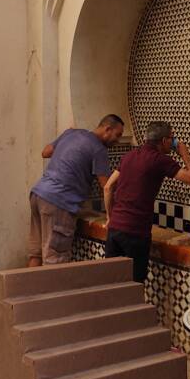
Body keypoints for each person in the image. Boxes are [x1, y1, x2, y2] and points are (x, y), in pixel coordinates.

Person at [103, 121, 190, 284]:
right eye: (172, 138)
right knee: (134, 284)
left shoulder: (129, 156)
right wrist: (185, 153)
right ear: (164, 141)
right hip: (135, 233)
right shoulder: (160, 160)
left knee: (112, 283)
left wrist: (109, 217)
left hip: (114, 230)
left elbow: (107, 187)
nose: (173, 142)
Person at [28, 114, 124, 266]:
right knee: (55, 261)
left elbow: (45, 152)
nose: (118, 140)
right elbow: (106, 186)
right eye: (117, 135)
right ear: (107, 129)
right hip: (58, 203)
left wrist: (69, 148)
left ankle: (29, 290)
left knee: (36, 254)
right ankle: (53, 291)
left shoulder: (70, 134)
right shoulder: (99, 150)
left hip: (38, 194)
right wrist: (113, 214)